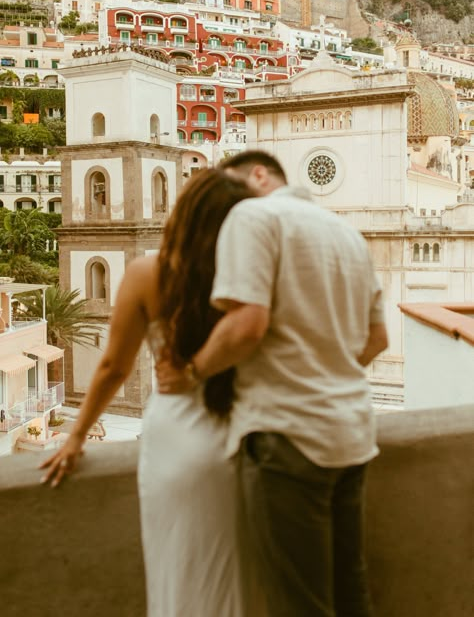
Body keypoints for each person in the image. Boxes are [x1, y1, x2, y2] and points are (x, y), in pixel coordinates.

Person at [157, 150, 388, 617]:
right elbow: (377, 339)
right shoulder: (344, 232)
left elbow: (246, 325)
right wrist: (326, 369)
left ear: (258, 175)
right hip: (353, 435)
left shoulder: (252, 215)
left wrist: (191, 372)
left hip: (288, 436)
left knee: (299, 603)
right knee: (350, 589)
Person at [39, 168, 263, 617]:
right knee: (241, 576)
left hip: (176, 441)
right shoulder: (255, 281)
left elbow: (112, 367)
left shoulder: (149, 273)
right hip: (247, 439)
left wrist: (76, 436)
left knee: (176, 568)